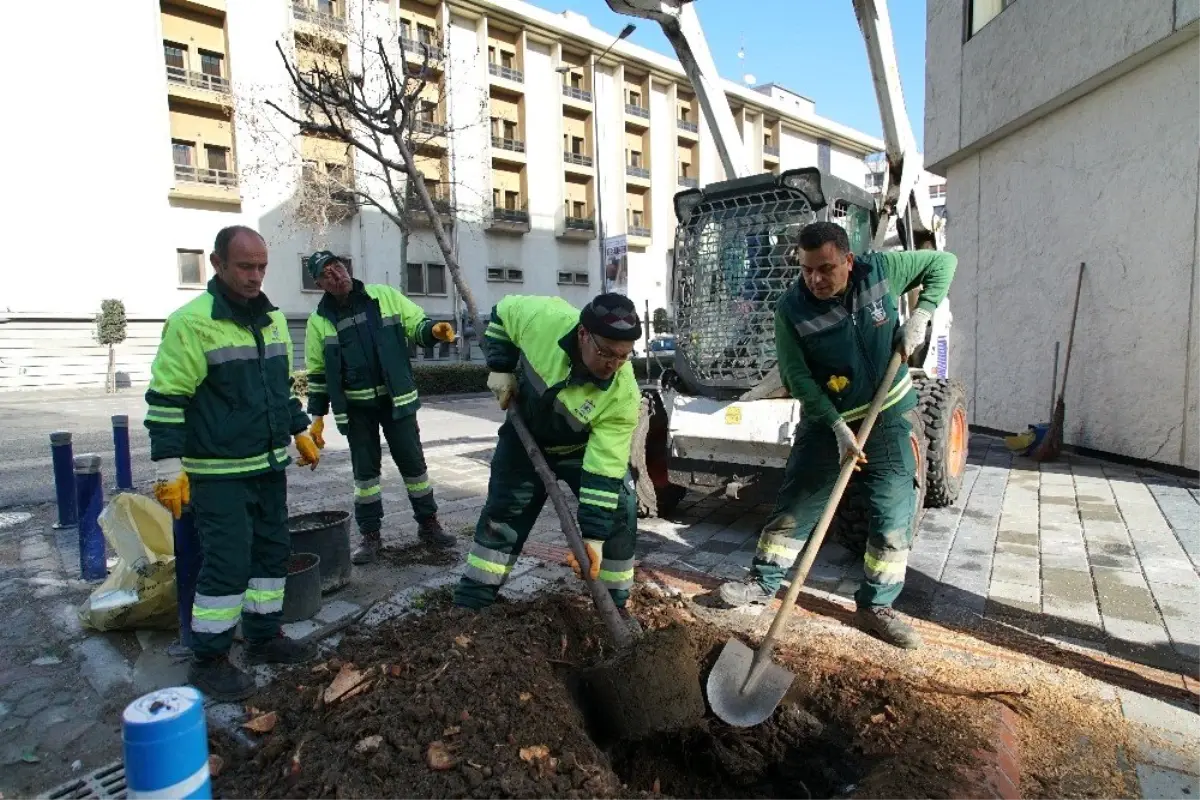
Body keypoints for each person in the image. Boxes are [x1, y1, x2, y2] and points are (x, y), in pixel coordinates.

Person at [717, 221, 957, 650]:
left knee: (892, 512)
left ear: (848, 260)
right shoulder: (793, 309)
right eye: (807, 270)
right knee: (796, 504)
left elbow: (943, 262)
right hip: (829, 420)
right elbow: (796, 377)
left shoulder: (881, 271)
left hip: (886, 415)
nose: (815, 280)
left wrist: (922, 313)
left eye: (826, 268)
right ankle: (762, 582)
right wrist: (835, 426)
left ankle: (876, 606)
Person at [145, 225, 321, 701]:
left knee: (270, 554)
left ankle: (264, 637)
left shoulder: (273, 320)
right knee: (227, 565)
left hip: (267, 467)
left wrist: (299, 428)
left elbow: (280, 389)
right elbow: (166, 400)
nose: (255, 276)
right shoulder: (192, 322)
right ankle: (210, 659)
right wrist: (168, 466)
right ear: (218, 264)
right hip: (218, 473)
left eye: (262, 266)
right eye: (245, 266)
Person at [452, 293, 642, 629]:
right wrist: (501, 368)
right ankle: (472, 603)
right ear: (583, 334)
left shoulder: (623, 394)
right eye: (606, 353)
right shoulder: (543, 320)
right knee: (504, 511)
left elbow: (604, 469)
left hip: (580, 450)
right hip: (524, 437)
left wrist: (593, 538)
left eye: (623, 357)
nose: (613, 365)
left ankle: (613, 609)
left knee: (619, 510)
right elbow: (501, 313)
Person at [302, 251, 456, 563]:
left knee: (414, 467)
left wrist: (433, 332)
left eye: (339, 267)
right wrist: (316, 419)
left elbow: (416, 324)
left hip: (395, 400)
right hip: (357, 410)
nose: (337, 275)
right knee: (365, 477)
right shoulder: (318, 322)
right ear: (319, 283)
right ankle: (370, 537)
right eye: (327, 273)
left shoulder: (382, 296)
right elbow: (317, 374)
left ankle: (429, 525)